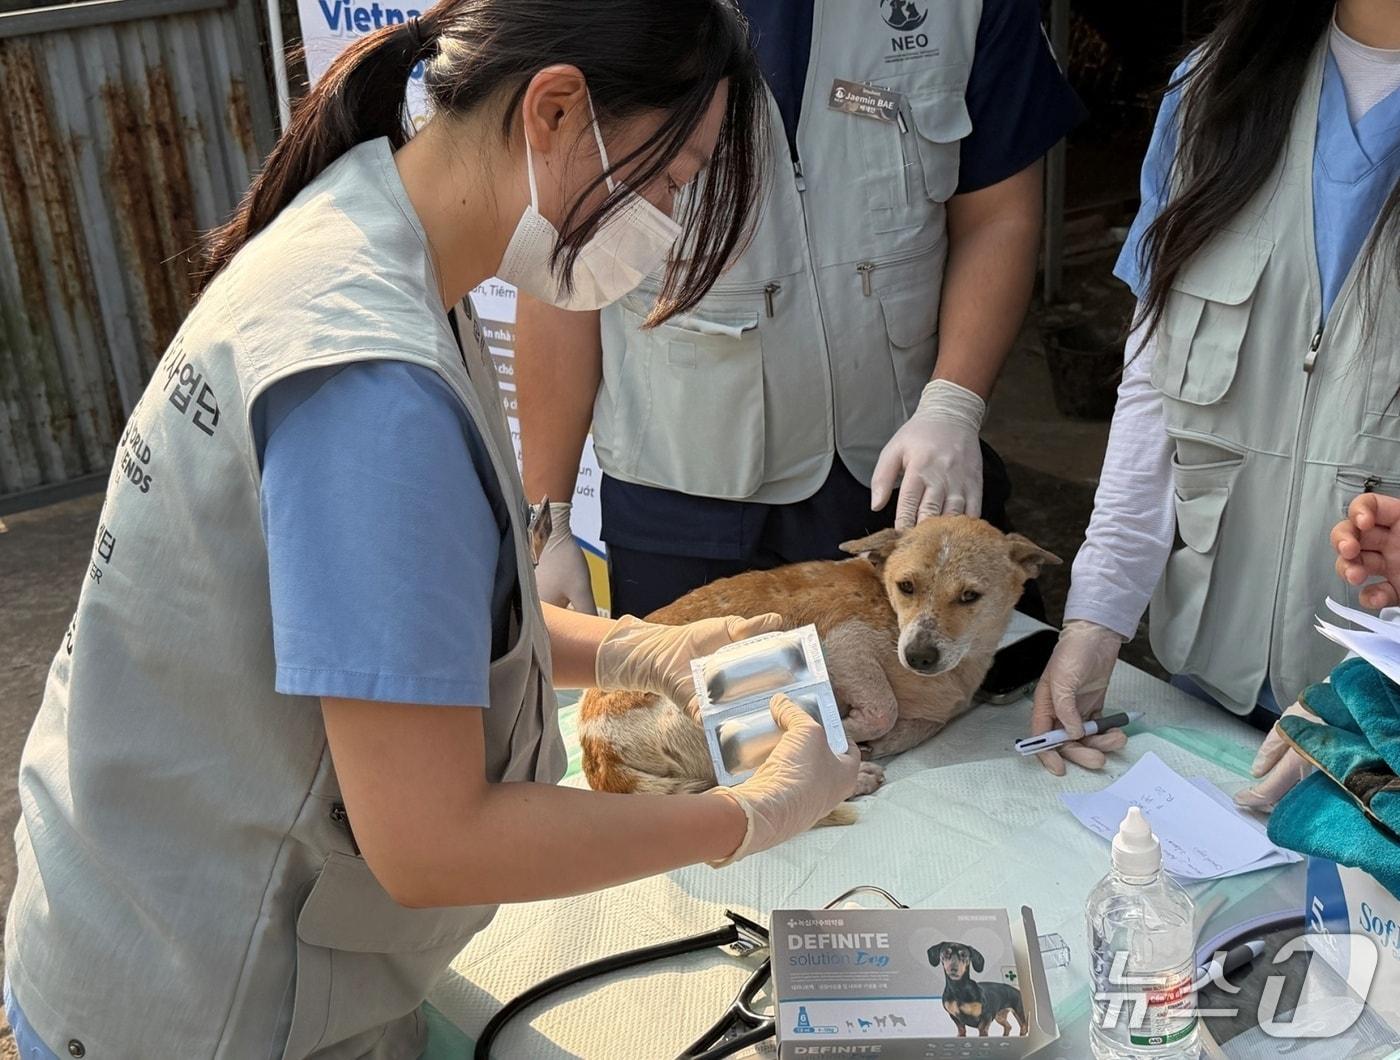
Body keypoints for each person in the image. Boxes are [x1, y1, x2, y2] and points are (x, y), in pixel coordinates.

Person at [1, 5, 860, 1057]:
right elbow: (432, 841)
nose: (670, 224)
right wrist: (750, 816)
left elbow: (398, 633)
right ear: (553, 110)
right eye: (673, 181)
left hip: (130, 913)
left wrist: (637, 647)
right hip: (208, 999)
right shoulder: (374, 381)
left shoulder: (370, 235)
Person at [519, 0, 1082, 620]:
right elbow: (561, 273)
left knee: (944, 705)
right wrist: (549, 520)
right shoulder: (584, 15)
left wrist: (953, 404)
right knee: (692, 712)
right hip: (681, 500)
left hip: (899, 478)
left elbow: (997, 216)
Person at [1032, 0, 1400, 777]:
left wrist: (1371, 691)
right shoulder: (1212, 91)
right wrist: (1095, 620)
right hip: (1206, 689)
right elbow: (1155, 386)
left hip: (1383, 723)